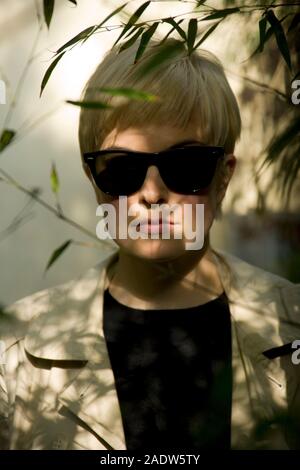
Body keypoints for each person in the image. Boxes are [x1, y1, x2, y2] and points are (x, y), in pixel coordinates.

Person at [0, 37, 299, 451]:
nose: (152, 193)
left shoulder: (291, 327)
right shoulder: (16, 354)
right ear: (94, 181)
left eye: (186, 165)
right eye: (122, 170)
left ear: (223, 176)